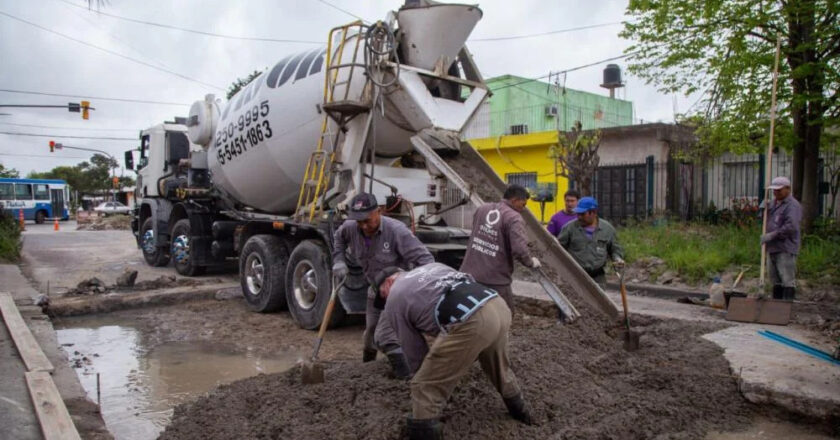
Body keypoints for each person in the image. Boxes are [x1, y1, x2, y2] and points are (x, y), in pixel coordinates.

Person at [375, 263, 533, 439]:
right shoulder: (433, 266)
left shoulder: (394, 299)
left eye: (382, 295)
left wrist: (426, 374)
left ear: (389, 282)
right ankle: (525, 416)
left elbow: (413, 349)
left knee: (424, 385)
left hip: (471, 321)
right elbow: (468, 281)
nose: (385, 300)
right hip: (496, 305)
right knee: (499, 368)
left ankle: (423, 431)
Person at [332, 192, 434, 377]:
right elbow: (338, 239)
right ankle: (367, 371)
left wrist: (408, 284)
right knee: (370, 334)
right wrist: (338, 260)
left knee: (385, 336)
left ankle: (406, 377)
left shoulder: (397, 231)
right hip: (374, 288)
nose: (363, 226)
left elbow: (426, 261)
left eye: (367, 220)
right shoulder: (350, 228)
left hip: (397, 292)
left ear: (378, 212)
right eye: (359, 221)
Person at [459, 184, 541, 312]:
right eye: (523, 204)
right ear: (514, 200)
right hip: (495, 280)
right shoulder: (514, 218)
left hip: (469, 274)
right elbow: (519, 250)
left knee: (471, 312)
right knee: (505, 315)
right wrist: (530, 262)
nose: (523, 208)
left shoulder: (482, 209)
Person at [557, 196, 624, 288]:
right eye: (578, 214)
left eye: (583, 214)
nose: (579, 217)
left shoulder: (607, 230)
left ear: (594, 213)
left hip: (597, 276)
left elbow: (615, 249)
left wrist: (617, 259)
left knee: (597, 301)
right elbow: (558, 249)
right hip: (575, 275)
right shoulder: (569, 228)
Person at [761, 176, 801, 300]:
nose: (776, 192)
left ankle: (787, 307)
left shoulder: (792, 205)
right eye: (774, 190)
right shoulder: (772, 203)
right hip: (771, 247)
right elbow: (764, 220)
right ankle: (776, 307)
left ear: (788, 189)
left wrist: (772, 235)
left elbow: (791, 227)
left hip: (785, 248)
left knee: (787, 279)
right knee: (775, 279)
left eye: (779, 190)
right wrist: (763, 209)